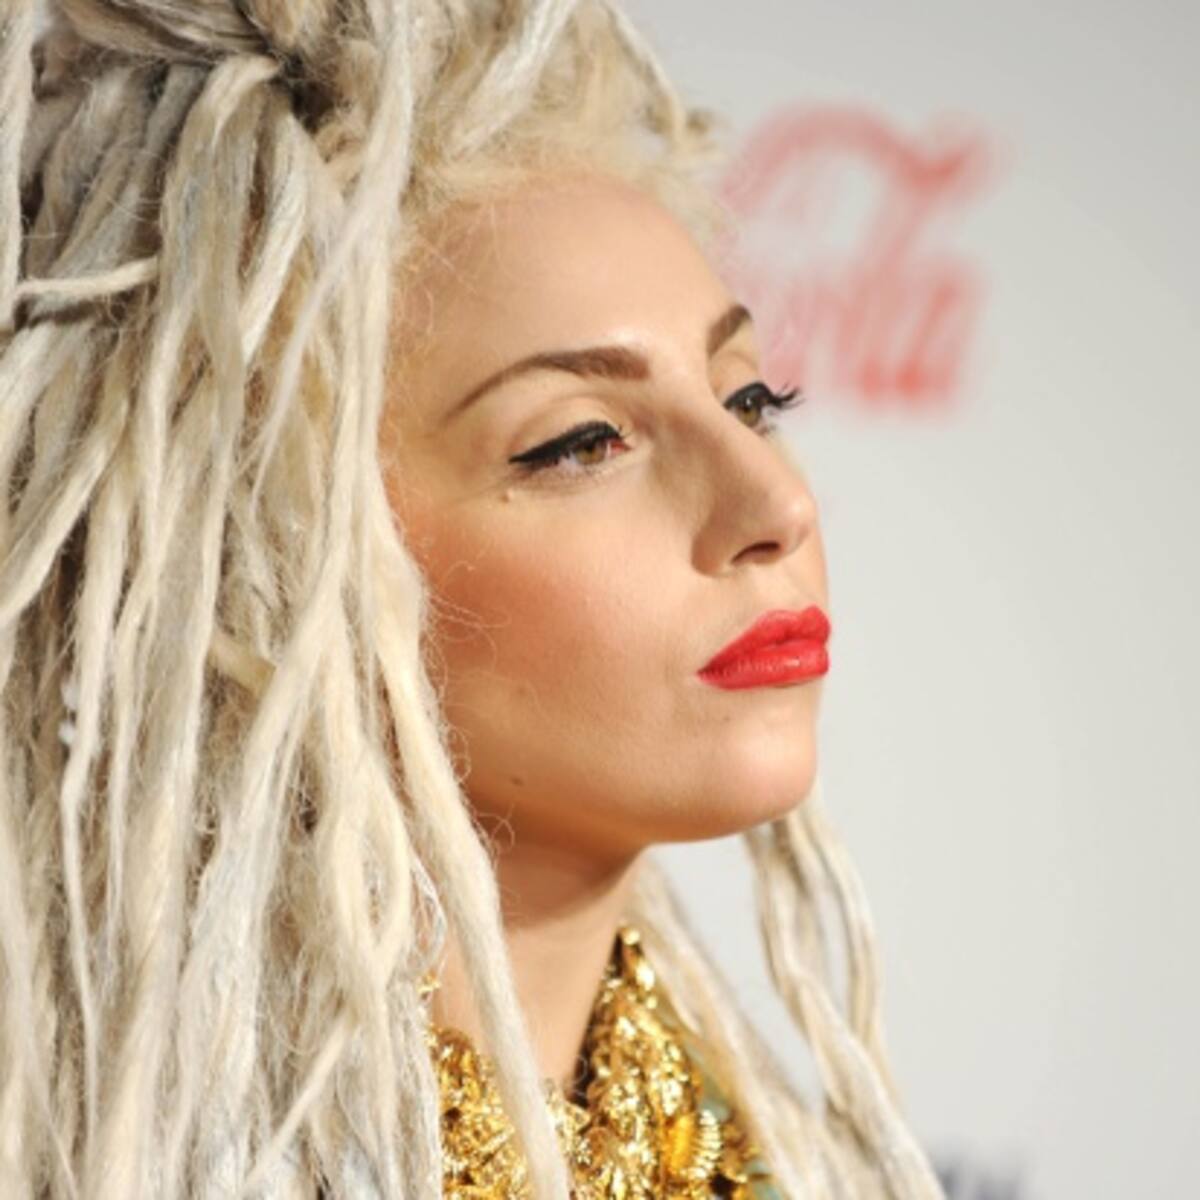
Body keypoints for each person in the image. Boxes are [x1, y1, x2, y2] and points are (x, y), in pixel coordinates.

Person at [0, 1, 947, 1197]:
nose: (777, 504)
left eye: (749, 400)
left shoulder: (783, 1158)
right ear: (282, 560)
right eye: (583, 441)